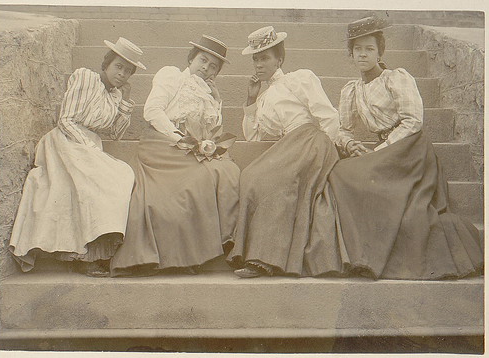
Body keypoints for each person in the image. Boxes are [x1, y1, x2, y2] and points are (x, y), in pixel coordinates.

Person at [327, 16, 483, 279]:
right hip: (385, 149)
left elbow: (413, 120)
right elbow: (343, 127)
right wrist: (350, 143)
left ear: (380, 52)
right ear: (351, 54)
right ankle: (360, 250)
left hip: (409, 147)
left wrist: (383, 149)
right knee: (340, 173)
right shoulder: (350, 91)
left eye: (369, 49)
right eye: (358, 50)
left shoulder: (395, 78)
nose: (363, 55)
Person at [9, 37, 146, 276]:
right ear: (106, 64)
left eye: (128, 71)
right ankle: (83, 256)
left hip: (88, 145)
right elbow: (66, 119)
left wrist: (124, 103)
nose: (122, 74)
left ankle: (93, 251)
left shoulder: (114, 96)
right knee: (99, 178)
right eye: (118, 66)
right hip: (65, 140)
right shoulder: (86, 77)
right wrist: (88, 149)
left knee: (123, 174)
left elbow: (115, 134)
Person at [110, 35, 240, 276]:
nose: (206, 68)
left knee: (227, 171)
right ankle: (184, 254)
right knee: (197, 179)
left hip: (192, 147)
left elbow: (214, 128)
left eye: (213, 66)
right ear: (191, 58)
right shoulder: (172, 76)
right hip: (163, 143)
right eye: (203, 60)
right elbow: (152, 111)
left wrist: (217, 101)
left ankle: (215, 245)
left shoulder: (209, 92)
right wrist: (179, 138)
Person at [227, 26, 342, 278]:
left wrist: (330, 151)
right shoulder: (265, 97)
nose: (259, 64)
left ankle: (265, 259)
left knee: (275, 181)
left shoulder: (299, 78)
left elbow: (328, 115)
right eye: (256, 59)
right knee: (251, 176)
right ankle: (250, 251)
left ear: (279, 59)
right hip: (287, 146)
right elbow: (253, 136)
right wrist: (251, 100)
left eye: (265, 58)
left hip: (311, 140)